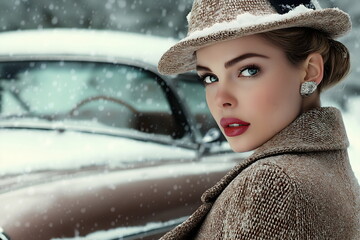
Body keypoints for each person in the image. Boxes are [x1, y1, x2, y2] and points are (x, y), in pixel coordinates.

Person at [157, 0, 360, 239]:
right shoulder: (324, 164)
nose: (222, 98)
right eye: (210, 78)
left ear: (311, 70)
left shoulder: (272, 183)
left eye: (248, 70)